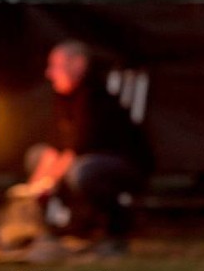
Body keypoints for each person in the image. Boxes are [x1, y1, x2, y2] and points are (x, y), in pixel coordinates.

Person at [13, 40, 150, 255]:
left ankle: (116, 228)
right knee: (36, 156)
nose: (49, 73)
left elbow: (75, 150)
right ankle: (59, 226)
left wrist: (47, 183)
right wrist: (32, 188)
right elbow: (54, 148)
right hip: (82, 162)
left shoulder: (95, 99)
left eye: (56, 66)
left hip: (122, 165)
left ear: (78, 64)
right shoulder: (62, 98)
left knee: (81, 171)